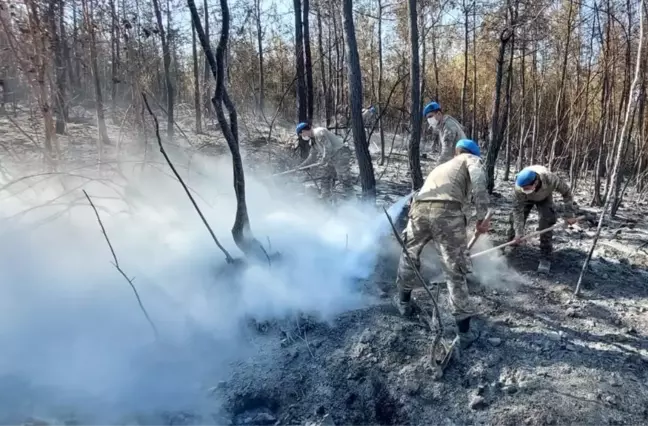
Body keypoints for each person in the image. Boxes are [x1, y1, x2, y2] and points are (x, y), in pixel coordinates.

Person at [394, 139, 490, 349]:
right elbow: (479, 182)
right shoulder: (470, 159)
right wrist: (482, 217)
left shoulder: (441, 166)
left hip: (418, 211)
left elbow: (418, 194)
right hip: (446, 212)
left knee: (409, 256)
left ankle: (403, 304)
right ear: (473, 153)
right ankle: (464, 334)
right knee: (454, 269)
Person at [508, 165, 579, 273]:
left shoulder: (550, 179)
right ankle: (511, 244)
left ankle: (545, 257)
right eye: (522, 188)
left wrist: (569, 214)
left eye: (526, 188)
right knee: (514, 220)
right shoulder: (519, 189)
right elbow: (517, 210)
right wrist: (519, 232)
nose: (524, 190)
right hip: (525, 199)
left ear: (535, 183)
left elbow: (567, 193)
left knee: (546, 222)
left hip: (544, 197)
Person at [295, 122, 354, 199]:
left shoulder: (319, 132)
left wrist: (324, 160)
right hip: (331, 158)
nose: (302, 136)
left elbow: (328, 147)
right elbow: (312, 157)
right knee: (325, 177)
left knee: (344, 177)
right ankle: (325, 198)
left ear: (303, 131)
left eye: (301, 134)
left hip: (341, 153)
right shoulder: (313, 141)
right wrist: (301, 166)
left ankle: (352, 199)